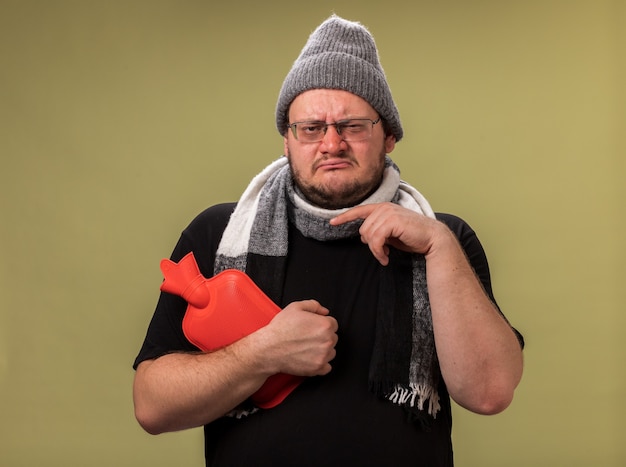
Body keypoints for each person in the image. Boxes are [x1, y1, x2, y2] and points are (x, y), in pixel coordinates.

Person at [132, 14, 524, 466]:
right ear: (287, 139)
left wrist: (438, 246)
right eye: (311, 127)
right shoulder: (217, 234)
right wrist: (263, 352)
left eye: (353, 126)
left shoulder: (444, 239)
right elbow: (152, 406)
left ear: (389, 136)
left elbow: (491, 392)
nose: (331, 143)